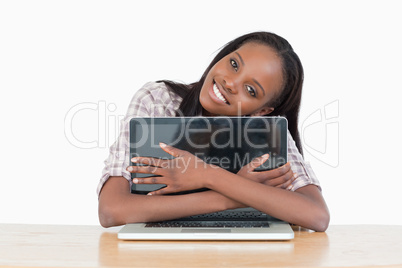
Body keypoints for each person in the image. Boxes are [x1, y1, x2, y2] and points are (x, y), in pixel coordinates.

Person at [97, 31, 330, 231]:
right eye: (234, 64)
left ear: (263, 110)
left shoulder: (268, 131)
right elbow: (111, 210)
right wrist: (233, 197)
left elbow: (316, 216)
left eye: (250, 89)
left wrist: (206, 174)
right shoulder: (157, 100)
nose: (230, 83)